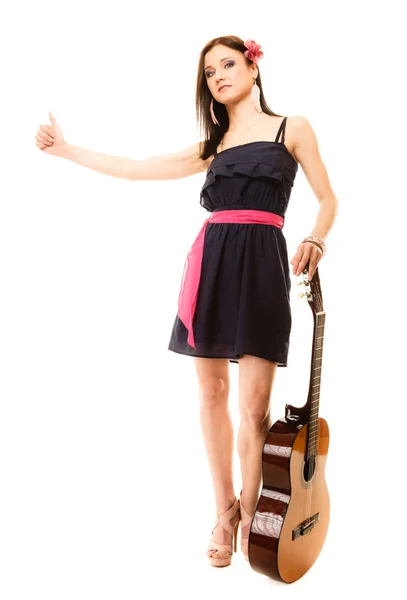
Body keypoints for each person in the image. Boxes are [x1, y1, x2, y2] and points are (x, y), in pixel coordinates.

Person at [34, 35, 338, 568]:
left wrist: (316, 236)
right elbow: (134, 167)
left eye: (227, 64)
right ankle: (224, 513)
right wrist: (66, 149)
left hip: (263, 266)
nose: (218, 76)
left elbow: (329, 197)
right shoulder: (213, 144)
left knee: (254, 407)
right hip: (213, 268)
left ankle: (255, 507)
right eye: (209, 73)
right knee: (212, 392)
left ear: (252, 66)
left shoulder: (294, 128)